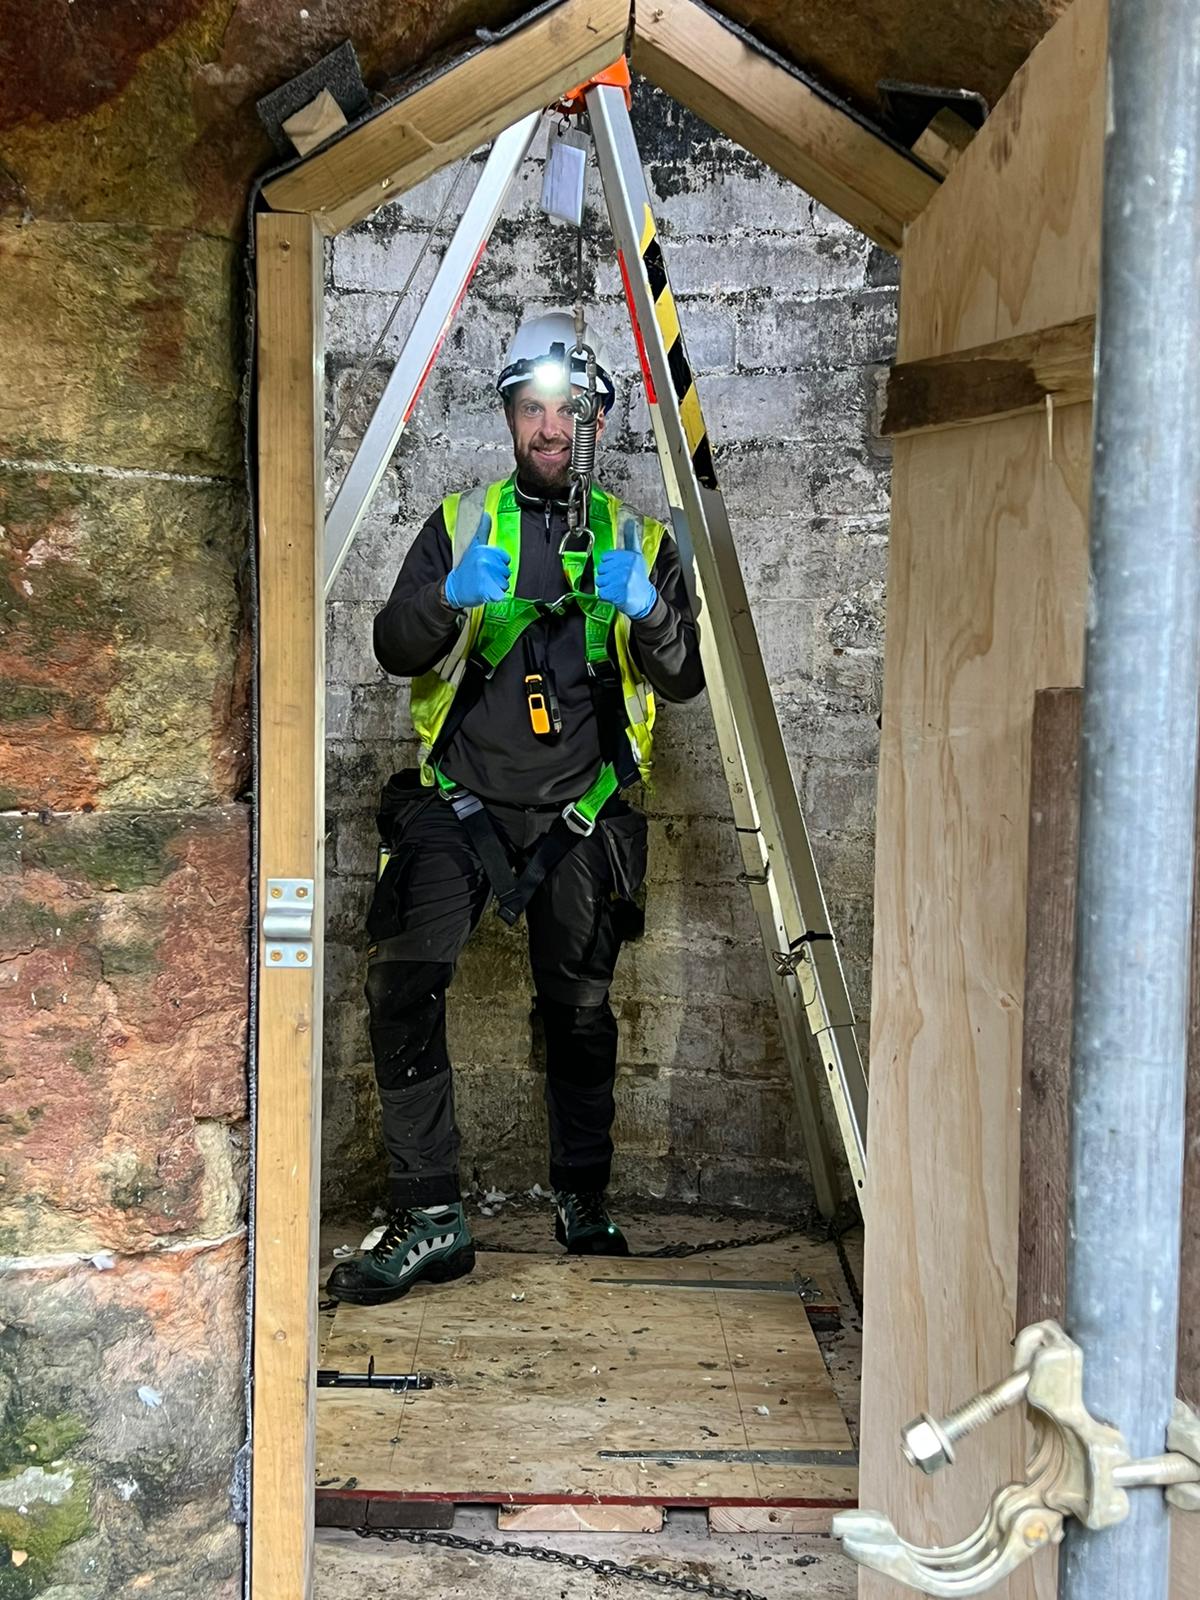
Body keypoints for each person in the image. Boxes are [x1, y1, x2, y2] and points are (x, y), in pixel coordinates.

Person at [329, 311, 704, 1305]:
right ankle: (431, 1216)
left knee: (580, 1011)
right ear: (509, 416)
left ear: (597, 422)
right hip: (460, 806)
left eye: (567, 410)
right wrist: (446, 598)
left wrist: (652, 610)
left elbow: (683, 682)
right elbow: (395, 648)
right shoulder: (459, 525)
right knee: (402, 984)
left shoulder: (639, 541)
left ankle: (582, 1197)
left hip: (581, 813)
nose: (548, 426)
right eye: (531, 407)